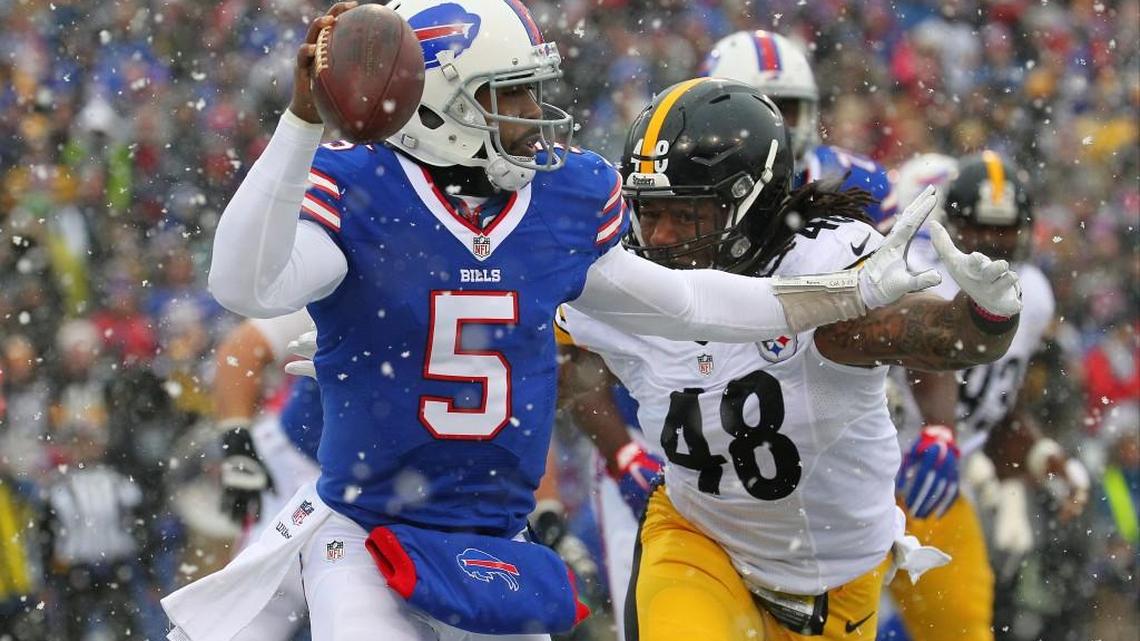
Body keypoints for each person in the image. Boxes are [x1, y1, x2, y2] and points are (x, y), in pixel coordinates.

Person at [162, 1, 948, 639]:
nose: (535, 113)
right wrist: (301, 124)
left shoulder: (559, 202)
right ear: (438, 105)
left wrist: (845, 294)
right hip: (367, 527)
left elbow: (688, 303)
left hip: (494, 541)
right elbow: (242, 284)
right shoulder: (366, 187)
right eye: (510, 94)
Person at [555, 79, 1023, 641]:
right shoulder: (626, 280)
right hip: (697, 541)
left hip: (835, 582)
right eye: (649, 212)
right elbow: (559, 367)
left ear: (749, 201)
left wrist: (987, 315)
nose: (659, 235)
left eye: (686, 214)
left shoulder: (821, 267)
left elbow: (939, 336)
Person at [887, 151, 1089, 641]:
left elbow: (994, 401)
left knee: (964, 629)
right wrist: (941, 430)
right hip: (866, 473)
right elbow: (932, 355)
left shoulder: (1033, 293)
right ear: (950, 225)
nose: (993, 242)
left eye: (1005, 229)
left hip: (937, 487)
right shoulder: (919, 268)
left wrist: (1039, 453)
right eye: (979, 228)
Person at [703, 29, 897, 227]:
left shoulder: (857, 183)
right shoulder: (688, 186)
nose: (775, 123)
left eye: (786, 108)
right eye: (755, 110)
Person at [212, 308, 322, 640]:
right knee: (255, 614)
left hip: (396, 485)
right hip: (301, 463)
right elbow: (243, 349)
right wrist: (236, 441)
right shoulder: (369, 279)